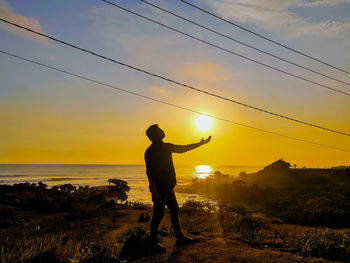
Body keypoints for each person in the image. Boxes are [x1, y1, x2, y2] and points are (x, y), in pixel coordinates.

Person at [144, 124, 211, 253]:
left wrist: (200, 144)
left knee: (174, 210)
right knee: (158, 215)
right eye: (160, 130)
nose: (163, 130)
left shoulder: (166, 147)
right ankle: (153, 244)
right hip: (159, 188)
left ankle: (179, 237)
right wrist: (154, 191)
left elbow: (183, 148)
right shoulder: (150, 151)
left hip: (168, 187)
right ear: (156, 135)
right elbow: (150, 173)